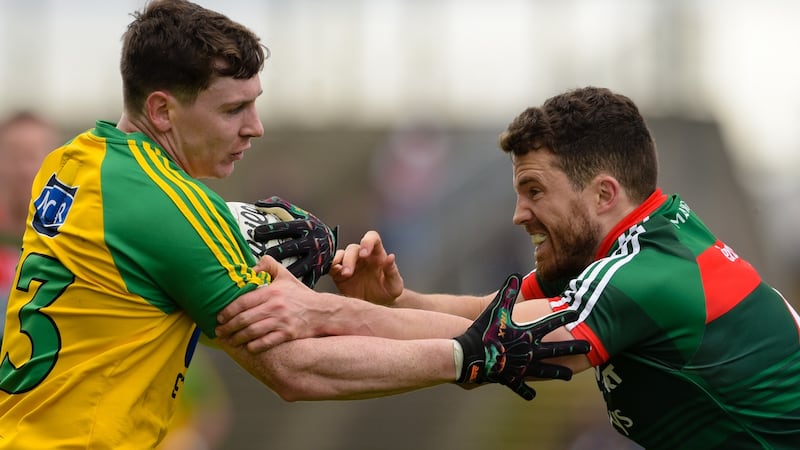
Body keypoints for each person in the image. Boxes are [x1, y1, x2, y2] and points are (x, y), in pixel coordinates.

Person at [0, 2, 588, 448]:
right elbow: (293, 366)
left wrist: (250, 230)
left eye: (255, 103)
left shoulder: (73, 162)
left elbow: (148, 251)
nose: (255, 126)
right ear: (162, 110)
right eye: (233, 108)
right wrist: (466, 354)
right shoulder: (173, 206)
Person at [311, 87, 800, 449]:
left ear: (603, 194)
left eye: (535, 191)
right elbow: (493, 313)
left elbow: (502, 342)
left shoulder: (644, 274)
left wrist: (316, 313)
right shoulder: (641, 238)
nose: (518, 214)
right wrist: (395, 301)